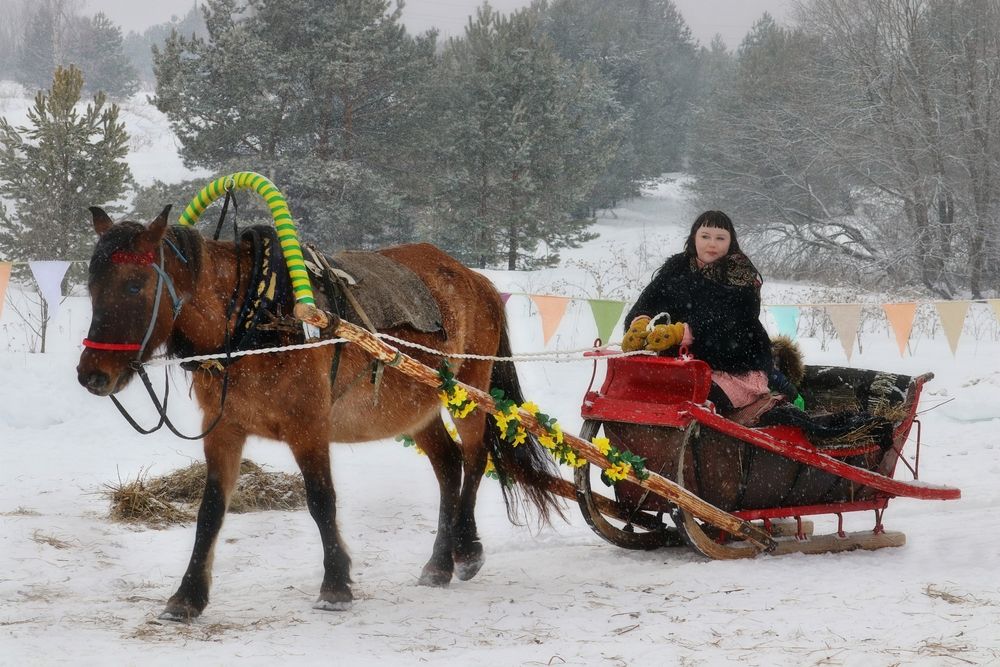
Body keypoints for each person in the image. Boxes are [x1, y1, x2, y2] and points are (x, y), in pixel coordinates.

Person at [621, 210, 799, 412]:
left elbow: (731, 321)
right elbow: (649, 301)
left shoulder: (740, 276)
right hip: (679, 364)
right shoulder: (676, 270)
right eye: (705, 236)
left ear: (730, 242)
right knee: (641, 389)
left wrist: (684, 332)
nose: (711, 244)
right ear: (693, 238)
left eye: (720, 238)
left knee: (698, 398)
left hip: (733, 363)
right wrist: (639, 323)